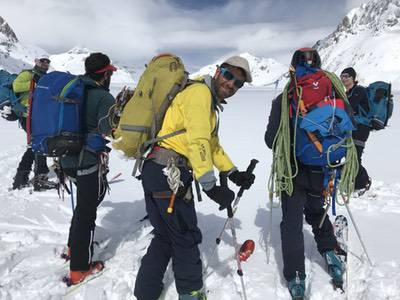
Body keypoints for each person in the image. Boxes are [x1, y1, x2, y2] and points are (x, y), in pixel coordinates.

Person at [134, 56, 256, 300]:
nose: (231, 84)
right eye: (229, 75)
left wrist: (233, 172)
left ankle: (146, 292)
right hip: (170, 173)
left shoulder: (205, 99)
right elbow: (198, 142)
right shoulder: (200, 94)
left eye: (238, 83)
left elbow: (212, 145)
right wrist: (210, 186)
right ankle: (191, 293)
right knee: (186, 236)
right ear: (217, 71)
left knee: (166, 234)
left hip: (156, 169)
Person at [265, 48, 345, 299]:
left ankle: (296, 276)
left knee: (292, 222)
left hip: (292, 170)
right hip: (322, 168)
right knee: (315, 210)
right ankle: (330, 250)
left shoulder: (284, 98)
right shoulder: (332, 91)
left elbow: (270, 140)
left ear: (292, 68)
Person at [60, 52, 116, 285]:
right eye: (110, 72)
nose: (111, 76)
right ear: (104, 74)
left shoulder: (73, 88)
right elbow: (109, 128)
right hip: (87, 161)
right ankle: (79, 269)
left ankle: (74, 248)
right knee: (87, 212)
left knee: (83, 207)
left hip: (65, 158)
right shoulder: (104, 98)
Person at [11, 57, 54, 191]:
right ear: (36, 62)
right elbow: (16, 86)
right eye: (43, 61)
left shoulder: (46, 78)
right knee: (39, 144)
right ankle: (39, 179)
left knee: (35, 144)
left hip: (39, 116)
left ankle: (20, 179)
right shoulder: (28, 74)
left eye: (48, 62)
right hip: (27, 116)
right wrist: (33, 83)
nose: (45, 64)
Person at [340, 67, 371, 192]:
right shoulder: (347, 93)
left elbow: (349, 107)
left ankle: (363, 183)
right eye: (342, 76)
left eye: (346, 76)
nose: (343, 78)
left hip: (361, 128)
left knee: (355, 157)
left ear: (353, 78)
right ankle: (355, 182)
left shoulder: (359, 90)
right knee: (350, 156)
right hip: (351, 128)